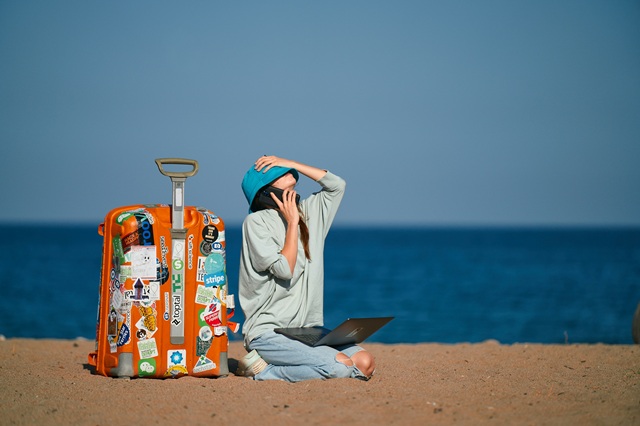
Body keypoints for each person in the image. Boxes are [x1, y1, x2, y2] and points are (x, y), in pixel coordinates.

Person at [236, 155, 376, 382]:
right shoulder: (256, 223)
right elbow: (284, 269)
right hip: (267, 333)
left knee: (364, 363)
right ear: (266, 192)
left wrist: (288, 161)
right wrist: (292, 223)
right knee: (340, 367)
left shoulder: (310, 211)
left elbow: (337, 185)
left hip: (305, 330)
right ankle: (264, 372)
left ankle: (311, 365)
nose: (287, 171)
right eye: (278, 172)